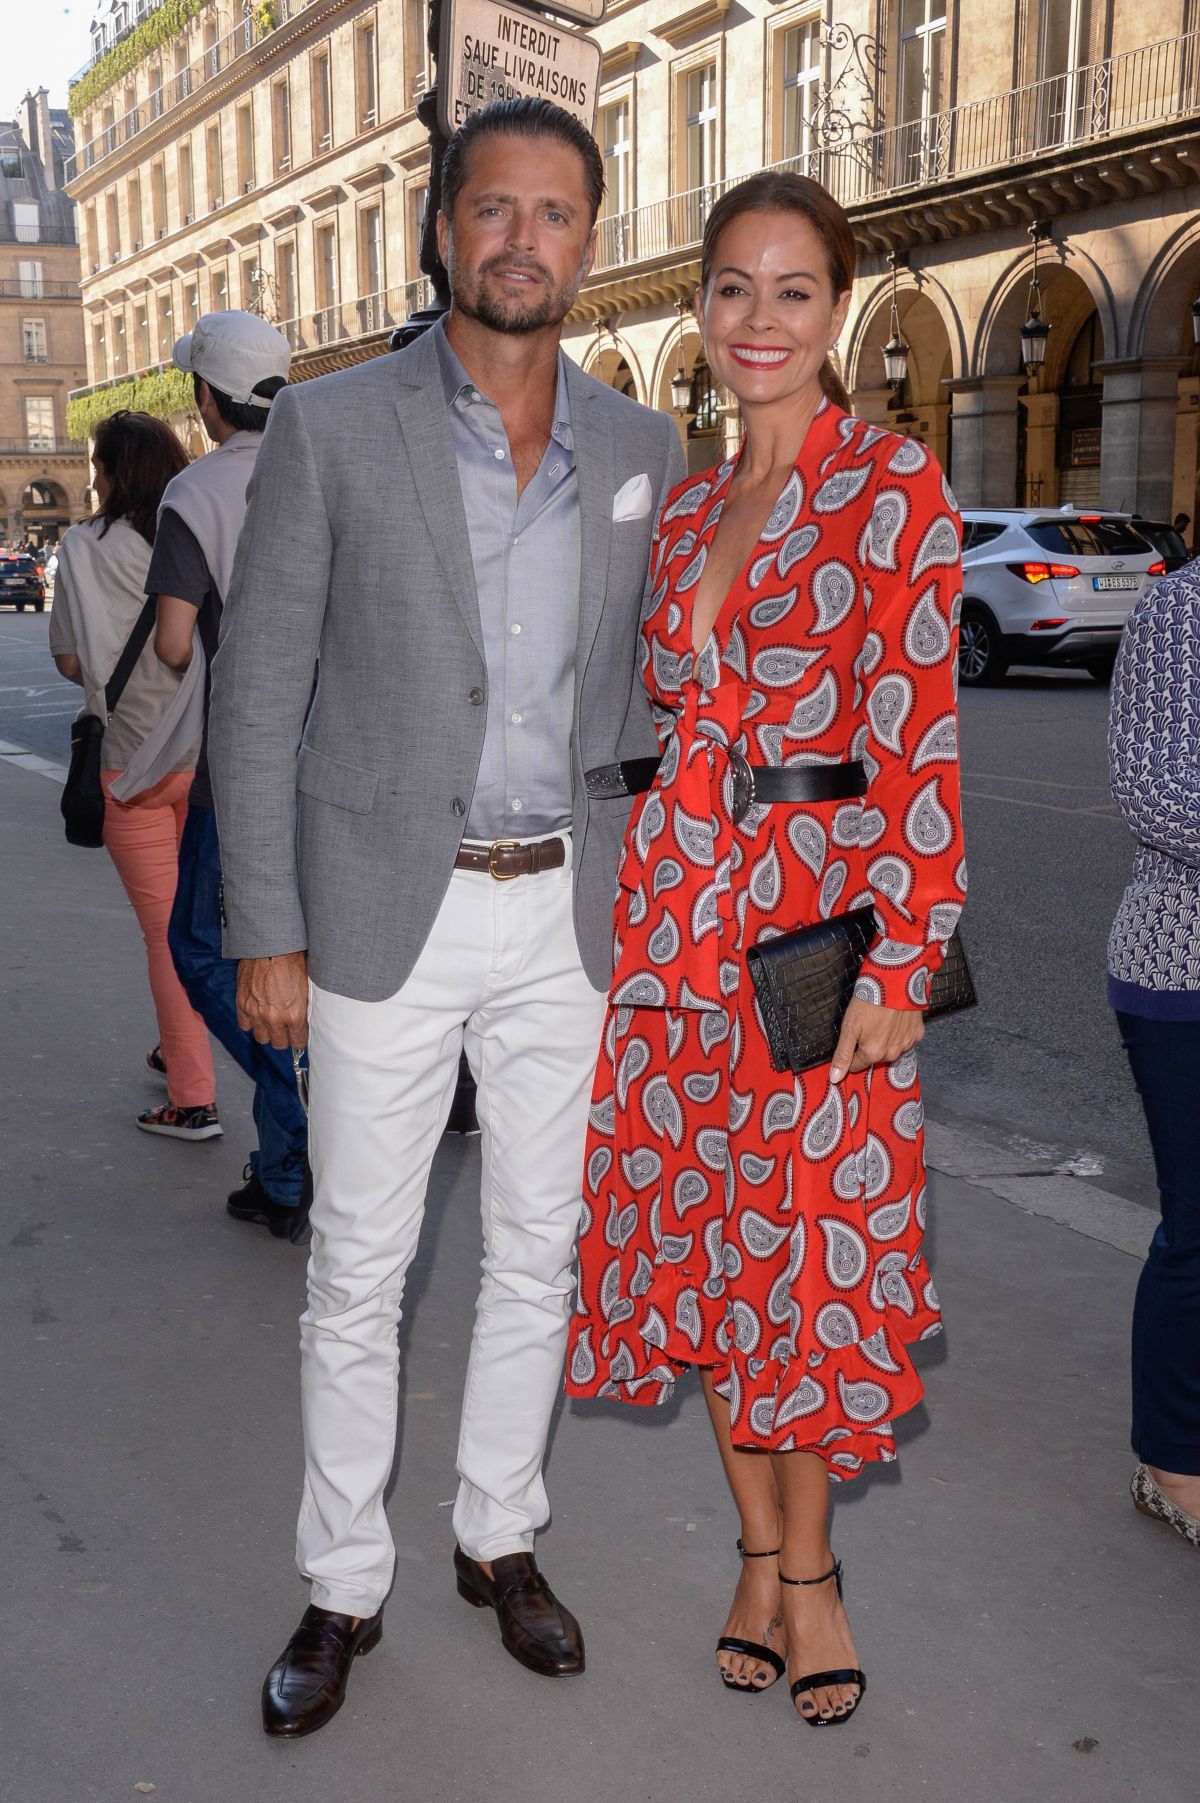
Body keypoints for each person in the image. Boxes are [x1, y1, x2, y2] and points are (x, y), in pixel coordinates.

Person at [207, 96, 684, 1737]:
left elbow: (657, 688)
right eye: (494, 208)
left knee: (537, 1250)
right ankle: (343, 1580)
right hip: (375, 912)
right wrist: (265, 927)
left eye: (555, 212)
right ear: (443, 229)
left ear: (591, 241)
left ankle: (500, 1533)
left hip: (571, 914)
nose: (521, 238)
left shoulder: (642, 448)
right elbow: (256, 695)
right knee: (360, 1262)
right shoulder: (336, 429)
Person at [566, 171, 967, 1727]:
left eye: (793, 289)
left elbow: (919, 737)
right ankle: (751, 1551)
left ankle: (812, 1578)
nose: (758, 318)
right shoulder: (680, 505)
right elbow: (651, 720)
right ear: (703, 305)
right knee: (725, 1264)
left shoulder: (894, 485)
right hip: (679, 917)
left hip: (814, 930)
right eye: (733, 286)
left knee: (808, 1267)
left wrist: (904, 954)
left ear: (837, 310)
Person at [147, 310, 311, 1241]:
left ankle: (298, 1104)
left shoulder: (195, 492)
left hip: (242, 763)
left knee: (205, 950)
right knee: (301, 962)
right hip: (328, 754)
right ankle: (285, 1172)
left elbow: (174, 644)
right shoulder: (320, 462)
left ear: (206, 398)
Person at [48, 410, 219, 1140]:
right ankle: (176, 1042)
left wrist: (108, 675)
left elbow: (67, 660)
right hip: (208, 758)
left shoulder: (80, 548)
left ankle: (193, 1095)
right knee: (201, 924)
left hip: (132, 764)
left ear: (111, 471)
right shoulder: (198, 527)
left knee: (164, 934)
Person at [1108, 559, 1200, 1550]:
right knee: (1199, 1227)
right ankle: (1173, 1463)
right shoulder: (1184, 607)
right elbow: (1155, 793)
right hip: (1184, 966)